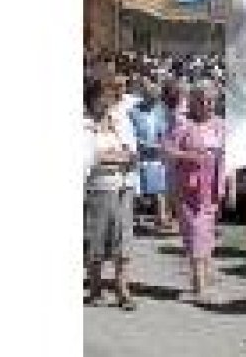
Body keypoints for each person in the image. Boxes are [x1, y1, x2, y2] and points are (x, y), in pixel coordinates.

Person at [162, 81, 227, 304]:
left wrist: (230, 183)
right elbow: (167, 150)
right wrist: (190, 156)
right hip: (188, 187)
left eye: (211, 101)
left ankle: (201, 281)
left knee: (206, 234)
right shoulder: (183, 123)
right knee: (196, 233)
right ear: (193, 101)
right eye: (202, 101)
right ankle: (200, 289)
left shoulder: (220, 124)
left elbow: (225, 156)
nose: (207, 105)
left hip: (212, 186)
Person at [83, 76, 140, 310]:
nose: (108, 101)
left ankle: (122, 287)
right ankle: (95, 287)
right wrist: (113, 157)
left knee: (123, 240)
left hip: (123, 186)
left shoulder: (121, 120)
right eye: (104, 97)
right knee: (96, 239)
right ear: (93, 99)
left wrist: (114, 157)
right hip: (98, 188)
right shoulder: (83, 124)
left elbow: (133, 153)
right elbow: (87, 157)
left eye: (110, 97)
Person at [130, 76, 174, 232]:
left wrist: (162, 145)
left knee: (160, 186)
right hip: (140, 151)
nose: (155, 99)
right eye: (151, 96)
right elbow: (132, 133)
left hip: (157, 153)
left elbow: (165, 131)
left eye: (156, 96)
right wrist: (142, 144)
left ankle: (161, 217)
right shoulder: (134, 111)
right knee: (139, 186)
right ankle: (134, 218)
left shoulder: (161, 110)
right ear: (145, 95)